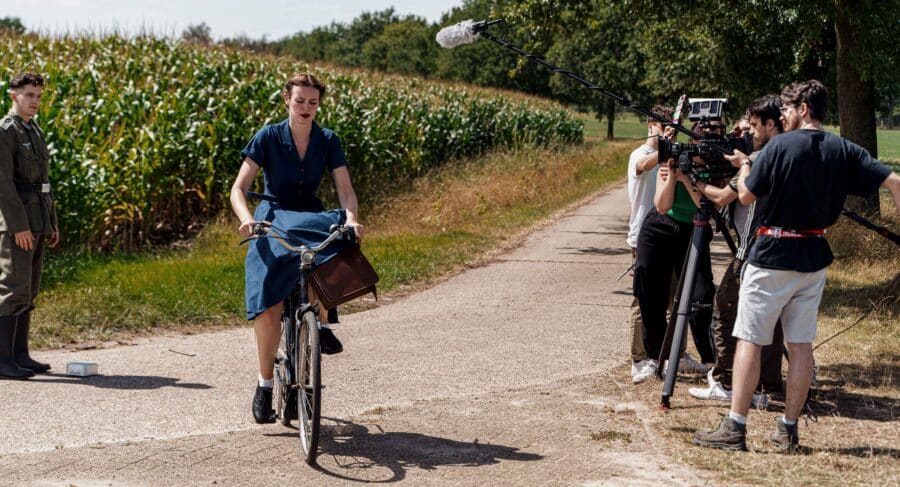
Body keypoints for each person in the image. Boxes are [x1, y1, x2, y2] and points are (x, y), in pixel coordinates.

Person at [693, 80, 900, 452]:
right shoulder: (844, 148)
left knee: (750, 340)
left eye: (787, 109)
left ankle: (735, 426)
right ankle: (788, 430)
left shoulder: (777, 147)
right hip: (814, 254)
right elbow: (894, 181)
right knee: (801, 344)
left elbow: (745, 195)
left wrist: (747, 165)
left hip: (772, 253)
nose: (783, 115)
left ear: (803, 108)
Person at [230, 73, 365, 423]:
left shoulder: (328, 140)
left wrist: (351, 218)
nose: (306, 108)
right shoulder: (268, 136)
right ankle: (265, 384)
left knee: (338, 239)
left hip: (309, 215)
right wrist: (247, 218)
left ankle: (319, 320)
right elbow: (238, 188)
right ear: (286, 100)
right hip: (273, 216)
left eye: (313, 102)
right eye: (300, 101)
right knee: (269, 306)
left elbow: (345, 190)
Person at [690, 96, 787, 408]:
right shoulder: (787, 152)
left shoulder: (756, 160)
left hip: (752, 249)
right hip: (782, 247)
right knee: (772, 317)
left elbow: (722, 198)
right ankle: (769, 385)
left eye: (752, 127)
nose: (748, 133)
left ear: (770, 124)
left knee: (726, 309)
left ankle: (727, 380)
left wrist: (691, 179)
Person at [633, 122, 721, 381]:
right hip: (660, 227)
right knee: (652, 294)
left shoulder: (717, 167)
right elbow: (662, 205)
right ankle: (655, 357)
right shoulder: (674, 160)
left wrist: (687, 179)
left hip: (694, 229)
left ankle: (709, 360)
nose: (703, 143)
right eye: (699, 137)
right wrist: (673, 174)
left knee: (701, 294)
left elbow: (707, 206)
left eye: (712, 136)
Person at [0, 72, 59, 380]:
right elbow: (3, 184)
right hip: (17, 223)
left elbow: (43, 183)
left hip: (37, 218)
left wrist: (51, 222)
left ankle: (20, 355)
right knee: (13, 288)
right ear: (14, 95)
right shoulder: (6, 131)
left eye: (38, 96)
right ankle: (2, 360)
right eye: (29, 95)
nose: (35, 101)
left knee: (29, 289)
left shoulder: (33, 129)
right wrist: (18, 226)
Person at [626, 105, 674, 384]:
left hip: (667, 233)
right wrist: (666, 148)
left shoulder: (668, 154)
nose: (667, 132)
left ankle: (672, 353)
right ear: (650, 126)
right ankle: (639, 358)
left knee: (672, 297)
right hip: (642, 235)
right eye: (663, 127)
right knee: (642, 300)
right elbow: (644, 166)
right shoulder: (640, 154)